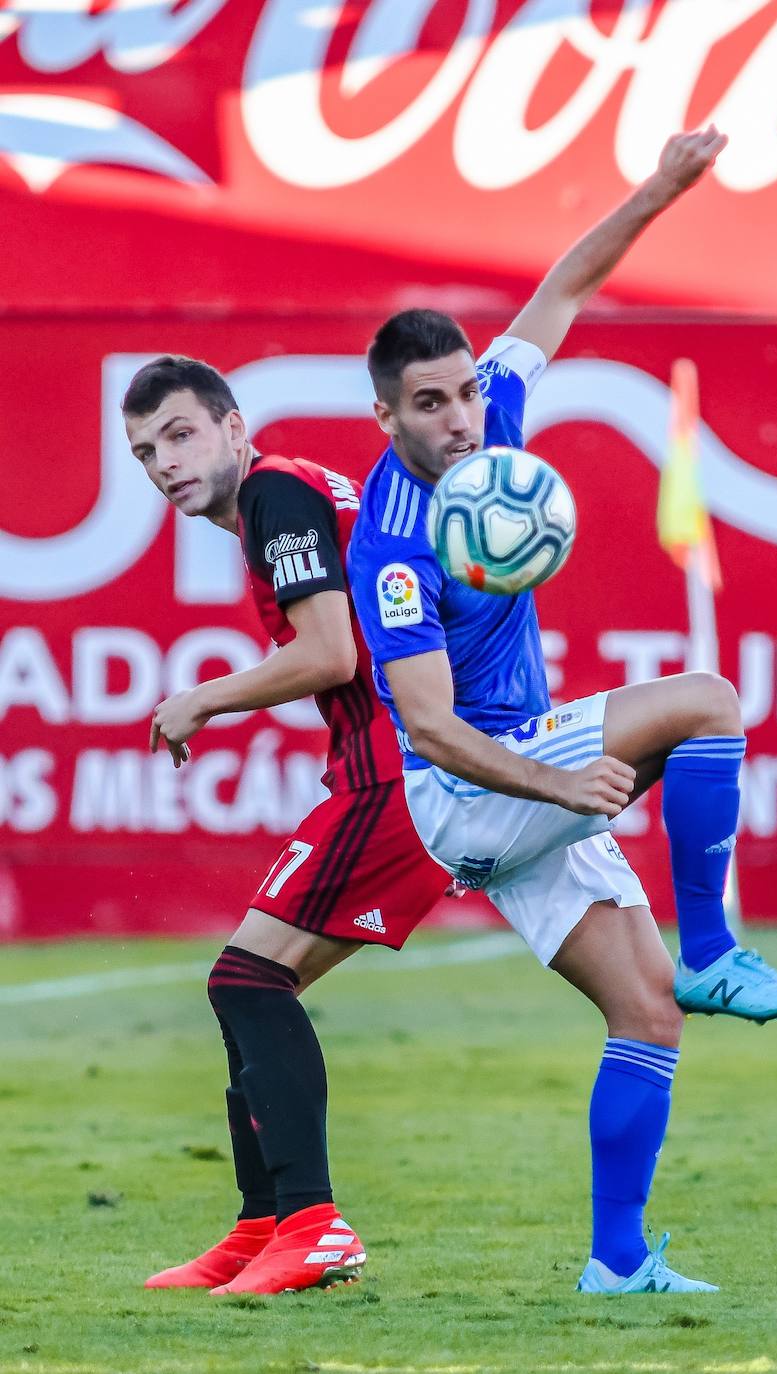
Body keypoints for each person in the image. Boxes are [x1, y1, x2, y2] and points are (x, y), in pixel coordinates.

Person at [347, 127, 777, 1295]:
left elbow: (564, 286)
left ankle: (616, 1265)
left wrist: (661, 186)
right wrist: (562, 785)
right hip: (470, 790)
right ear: (387, 418)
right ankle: (715, 949)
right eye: (429, 404)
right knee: (705, 701)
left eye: (466, 391)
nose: (460, 418)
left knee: (646, 1015)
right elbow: (429, 729)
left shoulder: (496, 426)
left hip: (518, 795)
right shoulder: (392, 544)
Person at [122, 357, 449, 1295]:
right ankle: (264, 1224)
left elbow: (329, 653)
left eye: (180, 435)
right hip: (398, 763)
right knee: (250, 984)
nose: (164, 463)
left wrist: (202, 698)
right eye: (145, 452)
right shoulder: (290, 494)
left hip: (397, 770)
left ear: (233, 428)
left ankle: (309, 1222)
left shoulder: (275, 492)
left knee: (246, 980)